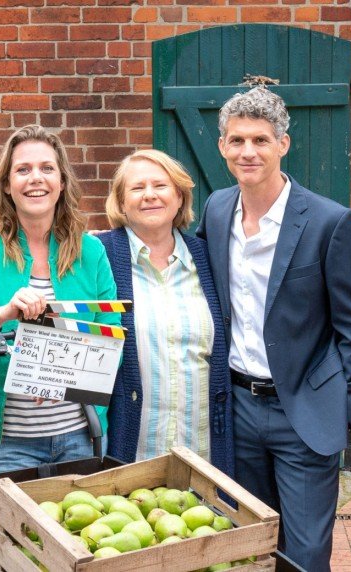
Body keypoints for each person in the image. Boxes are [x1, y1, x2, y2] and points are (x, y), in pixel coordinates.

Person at [195, 86, 351, 572]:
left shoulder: (329, 222)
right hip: (237, 407)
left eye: (259, 140)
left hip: (304, 413)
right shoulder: (215, 210)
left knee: (305, 553)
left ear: (283, 145)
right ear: (222, 147)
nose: (247, 152)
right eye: (236, 141)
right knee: (249, 543)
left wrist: (343, 408)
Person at [0, 124, 119, 472]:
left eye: (46, 168)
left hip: (80, 434)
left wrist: (62, 378)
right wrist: (5, 312)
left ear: (62, 181)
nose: (35, 178)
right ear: (7, 184)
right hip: (5, 440)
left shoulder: (90, 251)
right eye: (23, 170)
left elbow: (111, 335)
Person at [97, 149, 232, 475]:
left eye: (160, 185)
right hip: (133, 443)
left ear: (179, 195)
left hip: (203, 444)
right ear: (121, 200)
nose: (149, 195)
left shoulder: (209, 256)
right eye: (137, 187)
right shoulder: (98, 254)